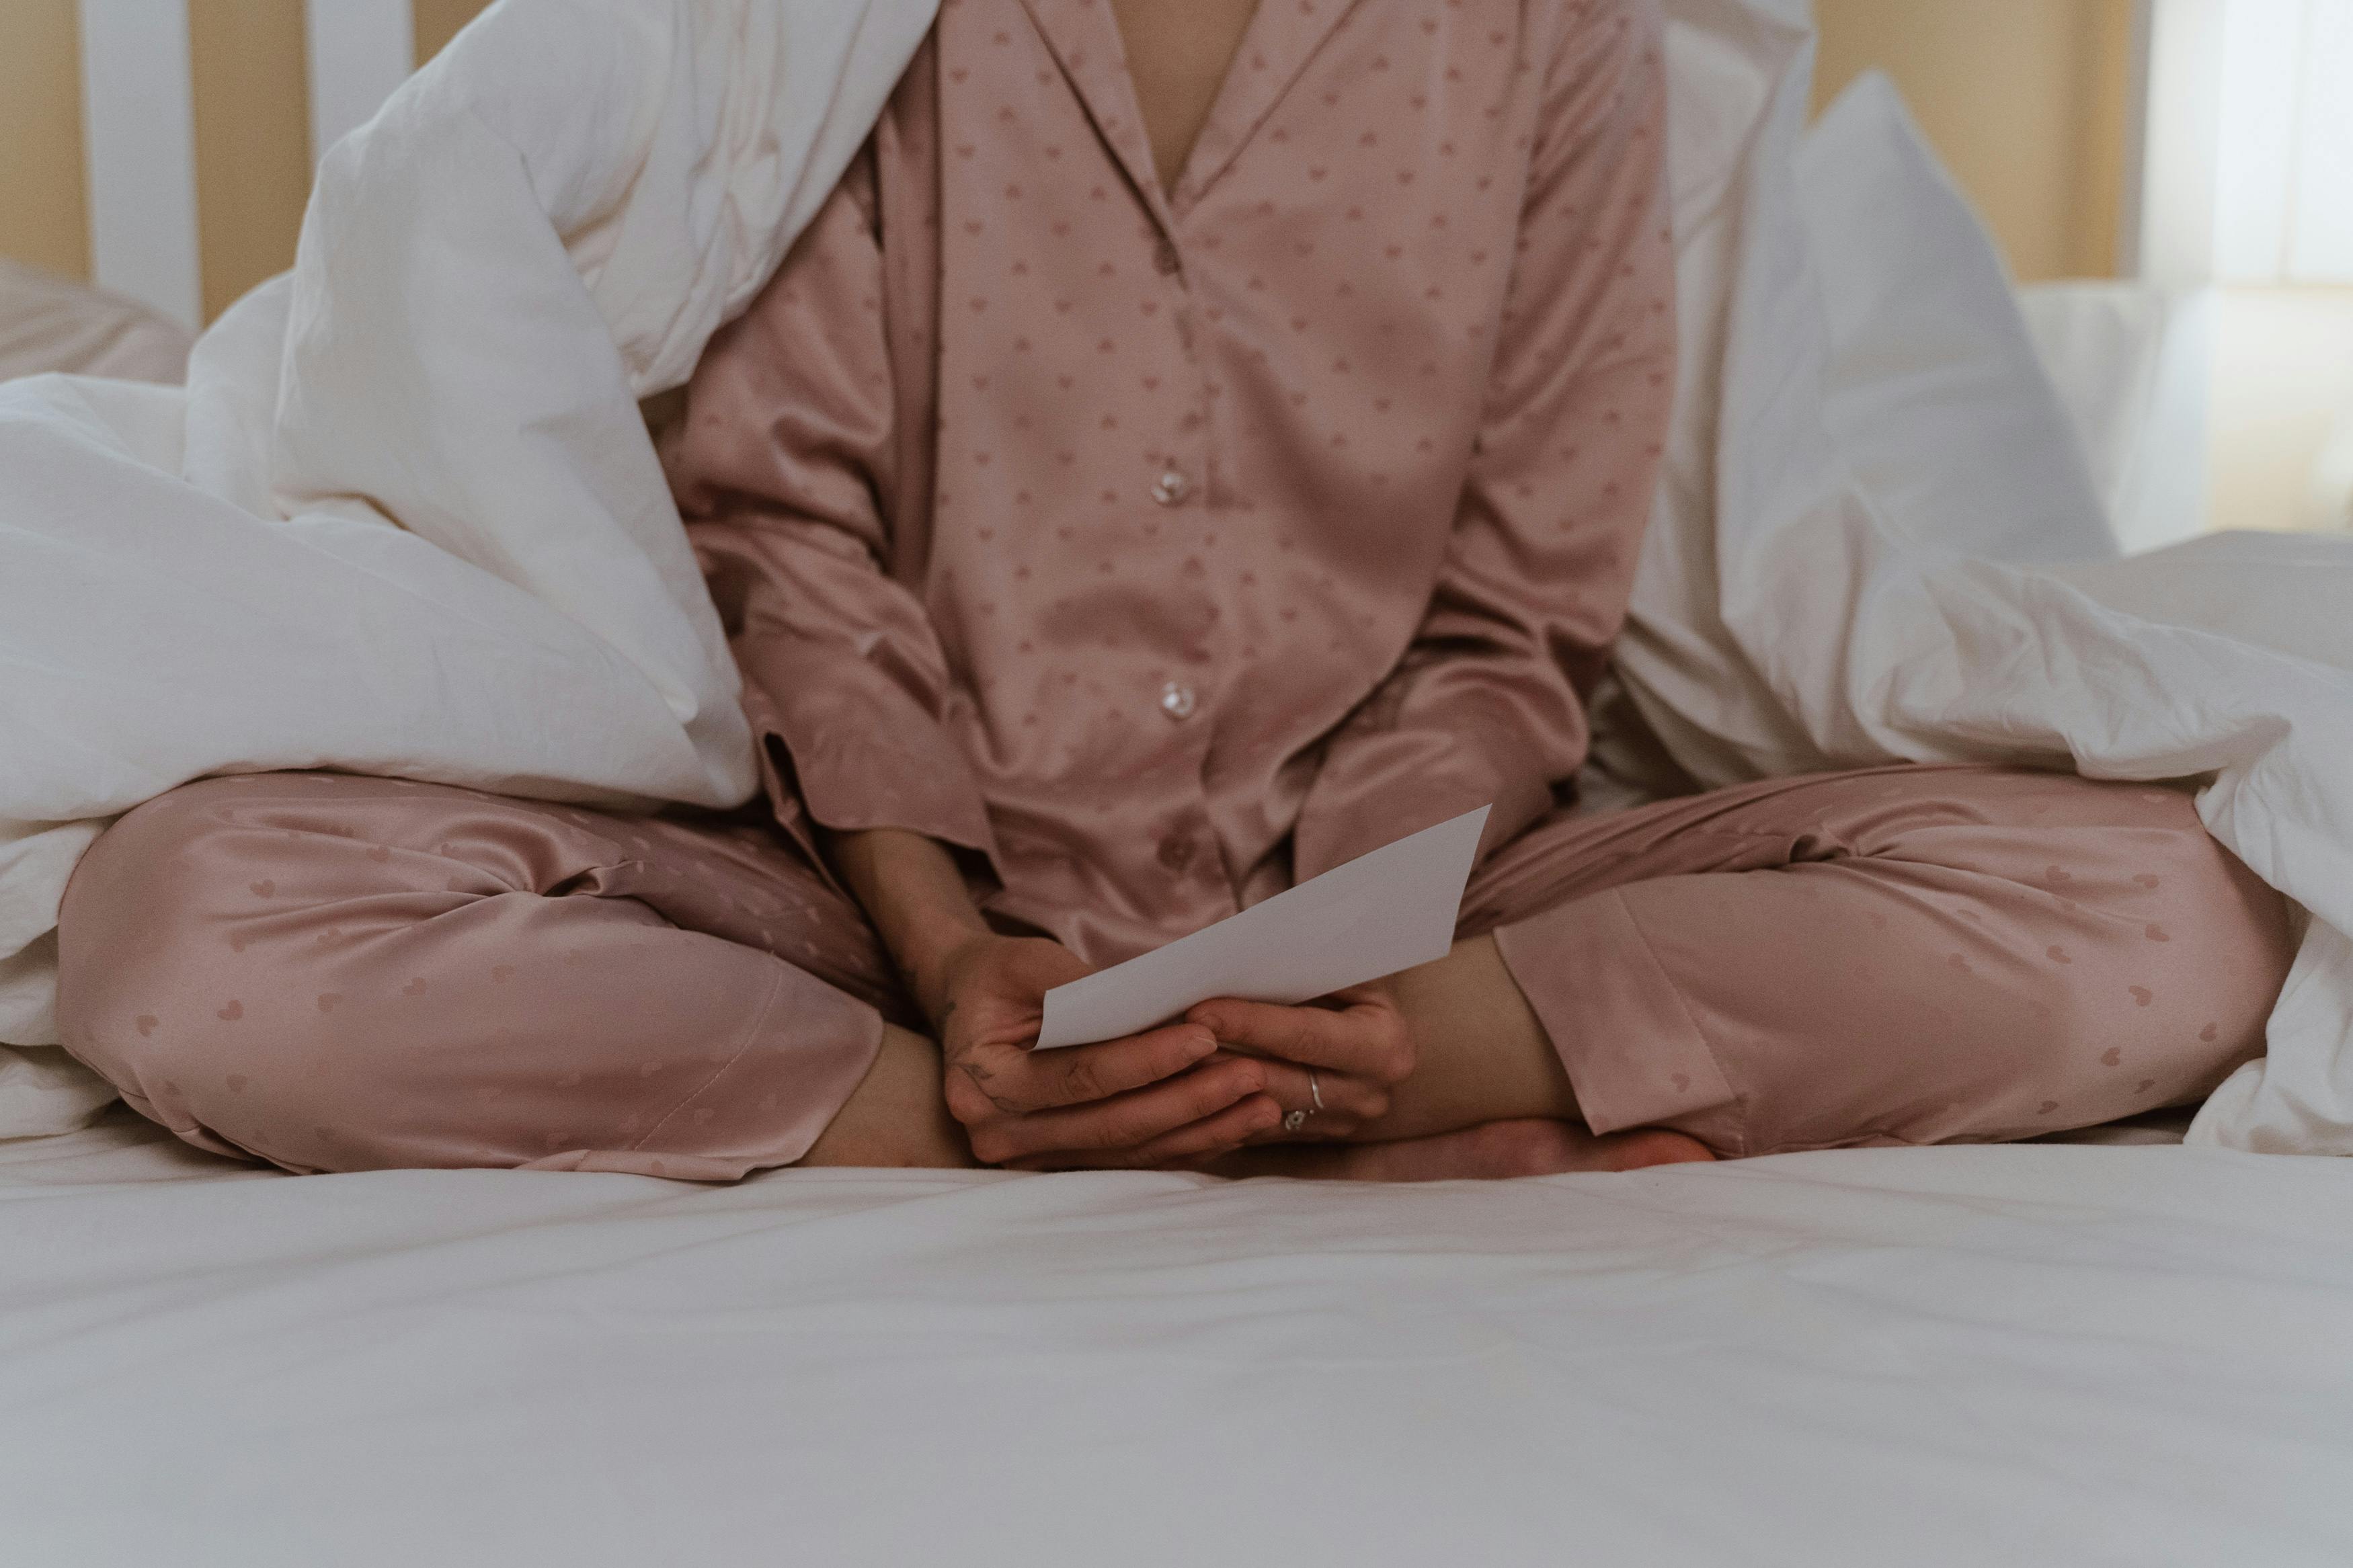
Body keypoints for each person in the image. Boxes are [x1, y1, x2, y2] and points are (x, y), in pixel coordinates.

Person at [54, 0, 2297, 1182]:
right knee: (193, 925)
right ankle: (985, 1138)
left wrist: (1368, 971)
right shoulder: (857, 36)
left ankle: (1371, 1089)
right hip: (864, 905)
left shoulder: (1552, 44)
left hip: (1424, 914)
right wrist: (956, 969)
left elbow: (1520, 621)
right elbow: (784, 541)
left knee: (2188, 901)